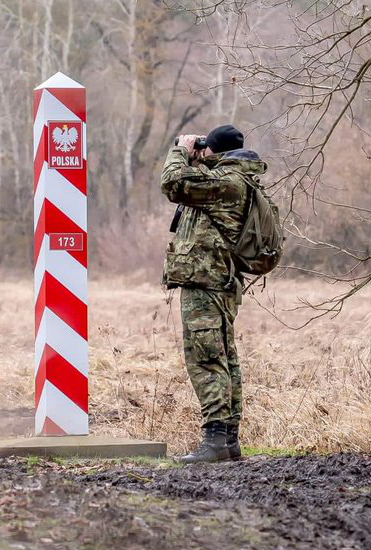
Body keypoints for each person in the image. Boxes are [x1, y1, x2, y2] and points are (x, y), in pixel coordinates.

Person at [160, 124, 267, 464]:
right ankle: (228, 440)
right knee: (224, 357)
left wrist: (181, 150)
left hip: (207, 281)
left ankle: (216, 440)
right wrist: (199, 157)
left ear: (214, 152)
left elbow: (173, 183)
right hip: (215, 280)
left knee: (207, 358)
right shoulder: (234, 181)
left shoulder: (227, 183)